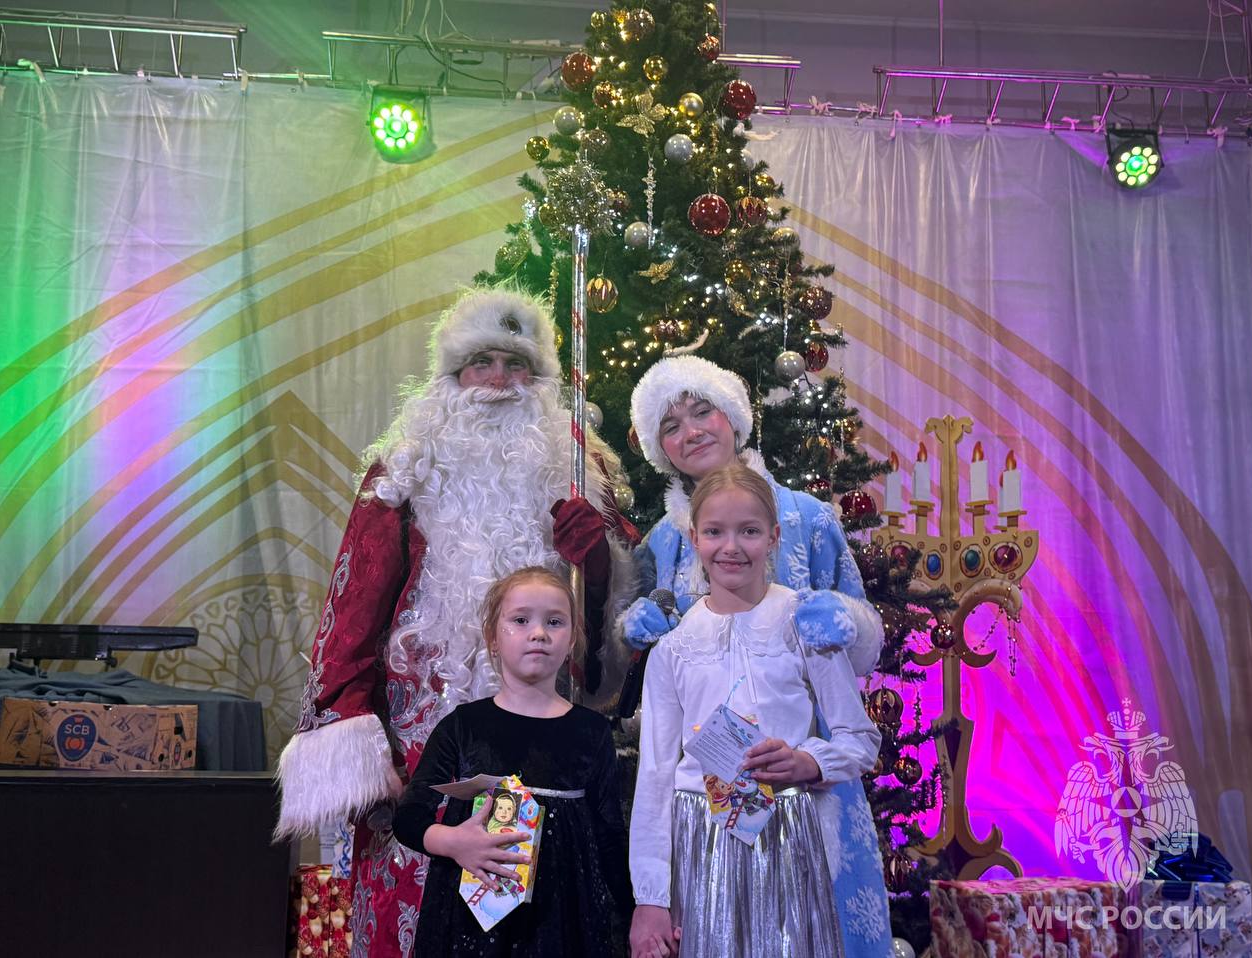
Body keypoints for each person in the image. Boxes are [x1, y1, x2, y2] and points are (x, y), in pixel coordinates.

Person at [274, 287, 637, 958]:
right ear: (450, 378)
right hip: (421, 738)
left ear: (540, 380)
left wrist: (595, 564)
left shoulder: (580, 474)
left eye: (516, 365)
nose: (498, 381)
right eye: (481, 364)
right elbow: (351, 611)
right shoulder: (403, 472)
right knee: (419, 905)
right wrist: (355, 729)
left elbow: (606, 643)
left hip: (544, 739)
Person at [623, 354, 893, 955]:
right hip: (704, 830)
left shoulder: (806, 520)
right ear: (696, 537)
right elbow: (657, 761)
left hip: (801, 812)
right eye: (671, 426)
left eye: (703, 412)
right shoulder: (662, 545)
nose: (691, 431)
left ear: (771, 537)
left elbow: (858, 656)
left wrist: (842, 623)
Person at [393, 567, 631, 957]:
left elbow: (609, 836)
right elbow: (408, 816)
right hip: (471, 923)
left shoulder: (592, 732)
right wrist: (453, 842)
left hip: (564, 919)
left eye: (554, 622)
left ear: (572, 639)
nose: (538, 633)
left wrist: (637, 914)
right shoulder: (463, 726)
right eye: (521, 620)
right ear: (493, 637)